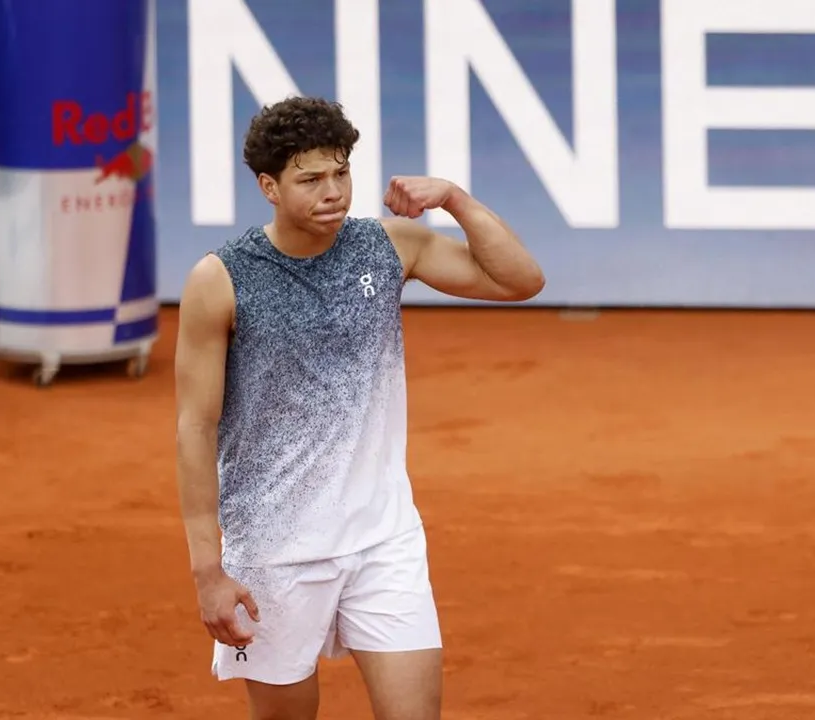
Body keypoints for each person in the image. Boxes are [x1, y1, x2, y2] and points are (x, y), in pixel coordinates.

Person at [173, 95, 545, 719]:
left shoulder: (388, 248)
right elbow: (195, 425)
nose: (333, 191)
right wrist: (208, 571)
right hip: (274, 551)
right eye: (310, 179)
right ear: (268, 186)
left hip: (384, 540)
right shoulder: (220, 280)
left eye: (341, 172)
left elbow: (520, 280)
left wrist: (453, 198)